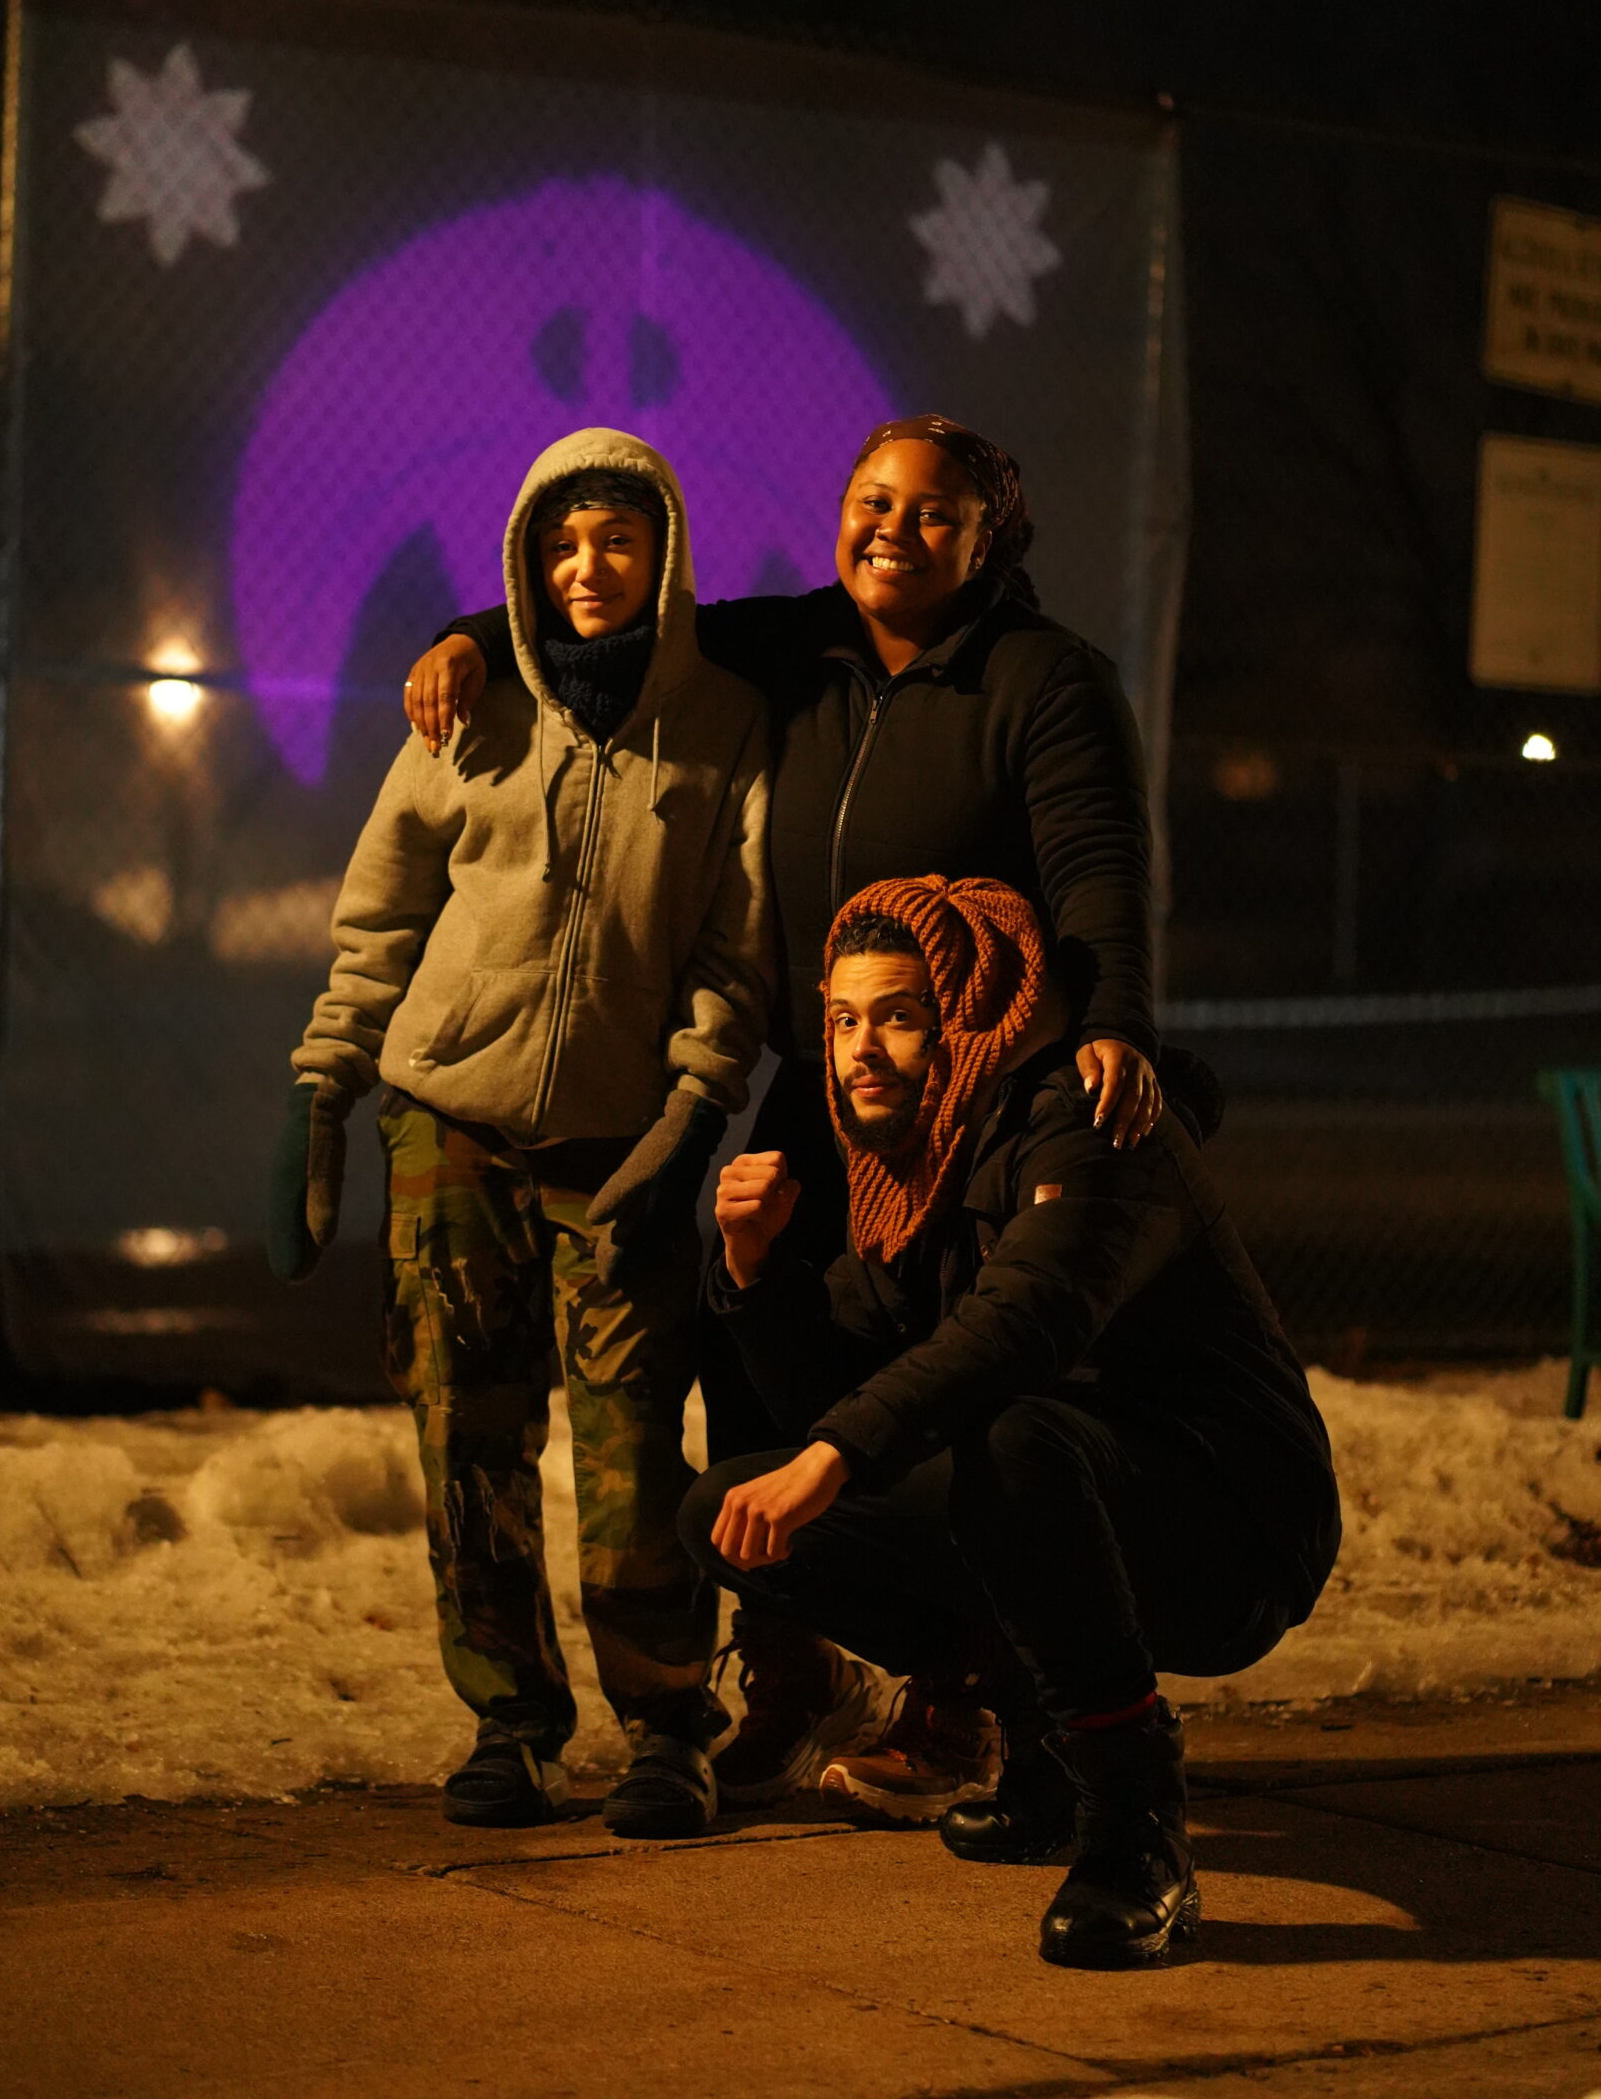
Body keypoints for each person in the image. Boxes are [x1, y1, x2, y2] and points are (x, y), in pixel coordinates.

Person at [401, 415, 1167, 1803]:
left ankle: (964, 1700)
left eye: (932, 513)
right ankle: (798, 1662)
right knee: (742, 1342)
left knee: (947, 1371)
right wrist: (466, 629)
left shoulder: (1038, 682)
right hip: (832, 1084)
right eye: (870, 501)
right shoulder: (802, 645)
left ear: (986, 538)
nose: (892, 529)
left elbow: (1095, 862)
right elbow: (619, 614)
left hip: (965, 1102)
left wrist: (1111, 1020)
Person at [681, 875, 1340, 1969]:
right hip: (1059, 1504)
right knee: (729, 1512)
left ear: (968, 1018)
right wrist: (751, 1274)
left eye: (898, 1015)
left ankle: (1136, 1827)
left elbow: (1026, 1319)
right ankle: (1041, 1746)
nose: (860, 1050)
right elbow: (844, 1381)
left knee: (1008, 1440)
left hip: (1231, 1526)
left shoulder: (1095, 1129)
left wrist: (837, 1453)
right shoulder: (919, 1164)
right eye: (843, 1019)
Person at [269, 428, 773, 1840]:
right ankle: (507, 1719)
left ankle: (670, 1725)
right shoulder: (469, 710)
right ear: (524, 566)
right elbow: (377, 917)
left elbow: (736, 949)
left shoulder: (725, 726)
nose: (585, 567)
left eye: (614, 539)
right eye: (559, 545)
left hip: (620, 1145)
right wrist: (325, 1088)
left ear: (662, 554)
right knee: (465, 1428)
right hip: (448, 1125)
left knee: (630, 1446)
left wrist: (689, 1110)